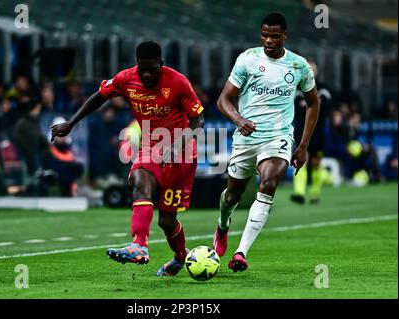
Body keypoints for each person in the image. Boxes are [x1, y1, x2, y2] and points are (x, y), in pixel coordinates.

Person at [50, 41, 205, 276]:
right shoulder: (126, 78)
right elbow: (99, 96)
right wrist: (71, 123)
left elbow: (198, 121)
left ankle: (180, 257)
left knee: (167, 221)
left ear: (161, 64)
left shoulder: (178, 81)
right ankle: (139, 245)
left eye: (152, 69)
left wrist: (177, 144)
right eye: (142, 68)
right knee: (140, 182)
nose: (146, 74)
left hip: (180, 153)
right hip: (150, 146)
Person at [212, 13, 320, 272]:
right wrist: (238, 120)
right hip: (246, 137)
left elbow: (314, 102)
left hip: (278, 136)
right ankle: (222, 225)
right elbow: (223, 100)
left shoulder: (298, 65)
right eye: (264, 34)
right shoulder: (248, 59)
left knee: (269, 183)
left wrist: (303, 144)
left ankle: (241, 252)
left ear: (285, 35)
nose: (268, 40)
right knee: (232, 196)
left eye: (274, 35)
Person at [290, 59, 332, 204]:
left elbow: (325, 108)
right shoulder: (296, 88)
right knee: (301, 161)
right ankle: (299, 192)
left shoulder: (323, 89)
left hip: (318, 132)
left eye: (313, 68)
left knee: (316, 162)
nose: (311, 71)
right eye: (308, 68)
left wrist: (308, 105)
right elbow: (295, 109)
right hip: (301, 132)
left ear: (317, 71)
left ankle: (314, 193)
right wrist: (313, 105)